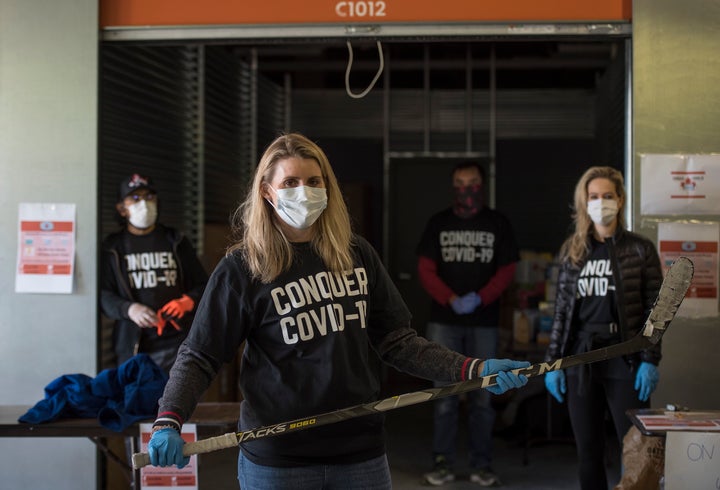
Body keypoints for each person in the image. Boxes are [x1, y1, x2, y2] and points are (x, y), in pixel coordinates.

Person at [144, 133, 531, 490]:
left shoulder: (356, 253)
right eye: (291, 183)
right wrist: (169, 418)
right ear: (266, 191)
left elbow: (398, 341)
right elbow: (201, 354)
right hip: (278, 460)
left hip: (359, 454)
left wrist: (472, 370)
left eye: (315, 182)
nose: (305, 191)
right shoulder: (243, 268)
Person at [543, 166, 663, 490]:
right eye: (593, 197)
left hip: (626, 356)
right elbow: (561, 312)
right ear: (584, 202)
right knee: (588, 451)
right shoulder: (573, 251)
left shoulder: (640, 249)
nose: (600, 203)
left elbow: (658, 308)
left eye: (607, 196)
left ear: (620, 200)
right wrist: (553, 363)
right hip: (581, 357)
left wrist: (650, 359)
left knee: (636, 449)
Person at [416, 161, 520, 487]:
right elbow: (425, 268)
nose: (466, 189)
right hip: (444, 321)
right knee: (445, 396)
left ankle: (482, 464)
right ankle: (443, 462)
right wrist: (449, 298)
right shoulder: (438, 223)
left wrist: (480, 298)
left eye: (472, 183)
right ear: (453, 187)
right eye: (460, 183)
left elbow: (506, 270)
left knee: (483, 396)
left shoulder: (497, 223)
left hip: (484, 322)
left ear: (482, 185)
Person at [100, 173, 209, 374]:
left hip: (178, 343)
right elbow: (103, 295)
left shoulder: (176, 240)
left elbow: (205, 286)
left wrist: (187, 302)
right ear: (121, 208)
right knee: (136, 403)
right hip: (133, 346)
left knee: (177, 403)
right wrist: (129, 309)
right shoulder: (112, 247)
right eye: (135, 198)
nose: (144, 203)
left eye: (149, 197)